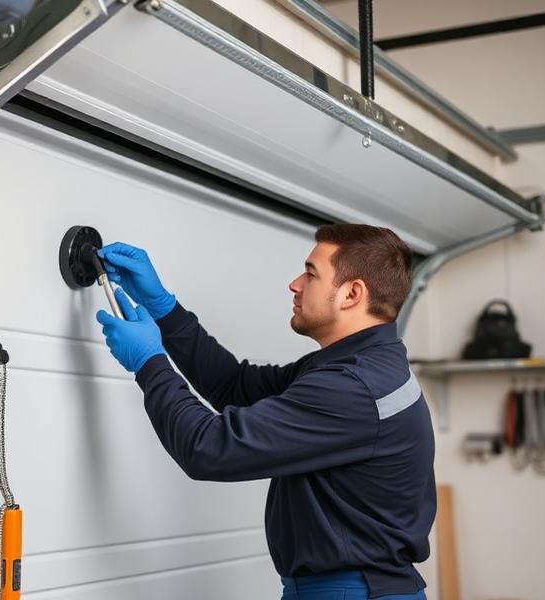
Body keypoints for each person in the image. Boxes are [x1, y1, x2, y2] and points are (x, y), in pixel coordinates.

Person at [95, 224, 435, 600]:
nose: (295, 284)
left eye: (310, 273)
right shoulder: (357, 366)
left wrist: (150, 362)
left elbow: (207, 448)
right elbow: (234, 386)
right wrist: (164, 308)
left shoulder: (353, 387)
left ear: (352, 294)